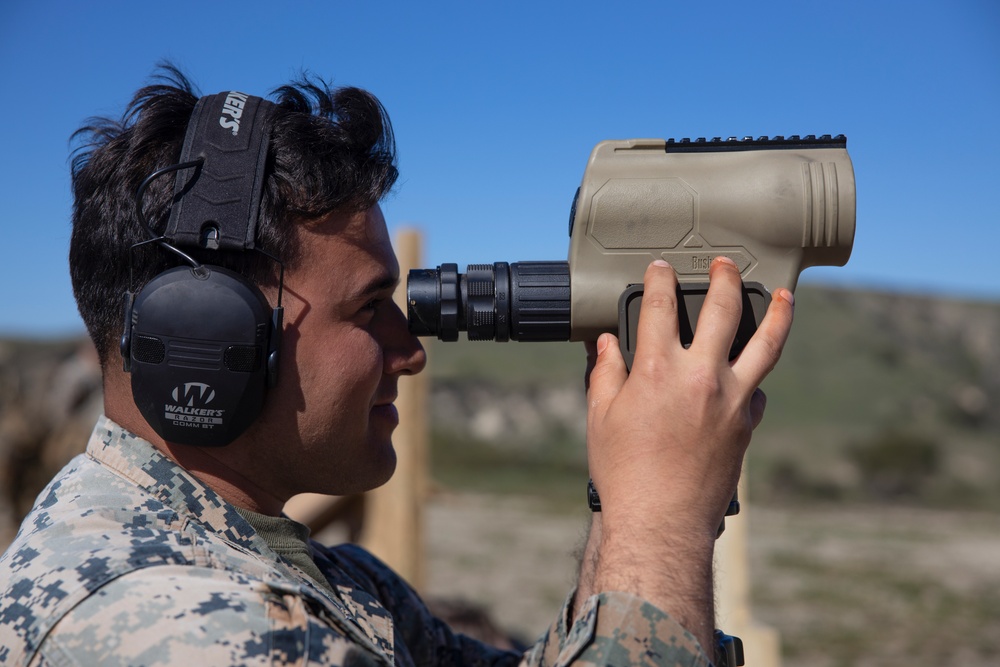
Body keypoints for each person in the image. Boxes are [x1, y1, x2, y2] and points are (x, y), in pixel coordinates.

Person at [0, 64, 794, 666]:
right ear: (209, 337)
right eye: (368, 308)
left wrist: (633, 488)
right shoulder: (169, 625)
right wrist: (661, 522)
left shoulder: (324, 578)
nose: (410, 352)